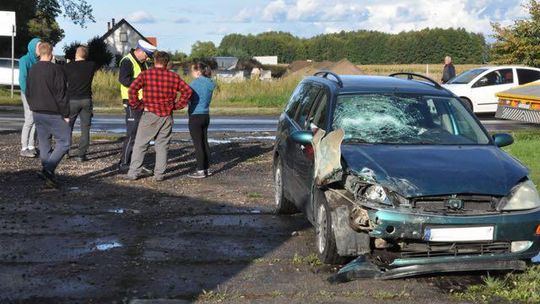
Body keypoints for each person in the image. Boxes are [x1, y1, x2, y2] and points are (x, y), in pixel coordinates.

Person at [125, 51, 192, 181]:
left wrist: (137, 105)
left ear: (155, 61)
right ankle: (159, 175)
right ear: (167, 63)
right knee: (162, 146)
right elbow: (187, 91)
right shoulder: (174, 77)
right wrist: (177, 106)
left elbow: (132, 89)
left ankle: (133, 172)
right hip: (167, 115)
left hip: (149, 113)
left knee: (140, 144)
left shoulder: (145, 74)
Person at [25, 42, 70, 188]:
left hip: (37, 111)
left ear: (39, 52)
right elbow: (61, 93)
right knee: (65, 141)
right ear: (51, 53)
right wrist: (66, 113)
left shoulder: (32, 69)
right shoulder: (57, 69)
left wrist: (32, 106)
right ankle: (48, 169)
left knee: (44, 144)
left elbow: (28, 91)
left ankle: (48, 177)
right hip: (54, 112)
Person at [118, 39, 157, 172]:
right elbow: (124, 80)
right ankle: (124, 164)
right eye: (146, 54)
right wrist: (142, 81)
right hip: (130, 102)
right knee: (132, 133)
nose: (147, 57)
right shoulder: (127, 61)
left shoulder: (143, 63)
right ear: (139, 50)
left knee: (140, 134)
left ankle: (134, 162)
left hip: (141, 102)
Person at [64, 46, 97, 162]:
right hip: (86, 99)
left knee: (68, 126)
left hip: (72, 99)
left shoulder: (67, 67)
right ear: (86, 55)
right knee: (85, 128)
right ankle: (81, 154)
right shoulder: (91, 65)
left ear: (75, 54)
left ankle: (65, 151)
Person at [187, 61, 216, 179]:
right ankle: (207, 168)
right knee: (204, 142)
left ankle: (200, 170)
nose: (191, 73)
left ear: (198, 71)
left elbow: (188, 97)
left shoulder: (194, 83)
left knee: (198, 144)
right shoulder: (210, 83)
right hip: (205, 114)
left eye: (192, 71)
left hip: (195, 115)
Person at [18, 38, 41, 158]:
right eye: (38, 46)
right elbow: (22, 79)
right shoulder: (24, 60)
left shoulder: (38, 61)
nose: (40, 49)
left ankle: (32, 146)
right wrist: (28, 94)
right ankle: (24, 147)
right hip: (27, 93)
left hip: (36, 93)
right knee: (29, 119)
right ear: (32, 47)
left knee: (36, 119)